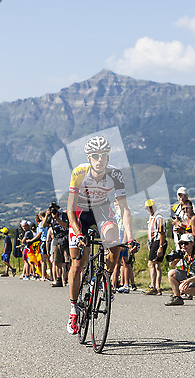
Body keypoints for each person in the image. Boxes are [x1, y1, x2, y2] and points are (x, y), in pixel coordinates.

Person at [66, 136, 133, 334]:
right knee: (77, 264)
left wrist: (129, 237)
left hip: (102, 210)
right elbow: (69, 209)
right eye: (95, 156)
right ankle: (73, 310)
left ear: (107, 156)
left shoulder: (115, 174)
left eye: (103, 155)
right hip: (80, 213)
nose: (99, 159)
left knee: (115, 243)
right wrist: (78, 234)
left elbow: (124, 209)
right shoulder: (79, 172)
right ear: (88, 157)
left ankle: (102, 281)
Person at [164, 234, 195, 306]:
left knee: (182, 288)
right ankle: (177, 297)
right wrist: (174, 257)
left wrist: (188, 281)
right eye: (181, 243)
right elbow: (171, 265)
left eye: (186, 243)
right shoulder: (184, 253)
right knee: (171, 273)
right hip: (191, 275)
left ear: (192, 243)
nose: (183, 245)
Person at [43, 203, 69, 287]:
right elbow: (44, 225)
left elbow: (65, 226)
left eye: (55, 209)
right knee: (57, 261)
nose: (53, 211)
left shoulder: (64, 215)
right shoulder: (50, 217)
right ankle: (58, 279)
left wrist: (57, 219)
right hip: (56, 239)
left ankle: (68, 278)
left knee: (67, 261)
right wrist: (47, 215)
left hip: (65, 239)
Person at [144, 199, 167, 295]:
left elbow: (162, 233)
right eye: (147, 208)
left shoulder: (158, 217)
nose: (149, 209)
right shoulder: (152, 217)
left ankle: (153, 286)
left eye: (150, 207)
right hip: (154, 242)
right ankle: (157, 287)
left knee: (151, 263)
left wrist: (160, 246)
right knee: (157, 265)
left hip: (158, 241)